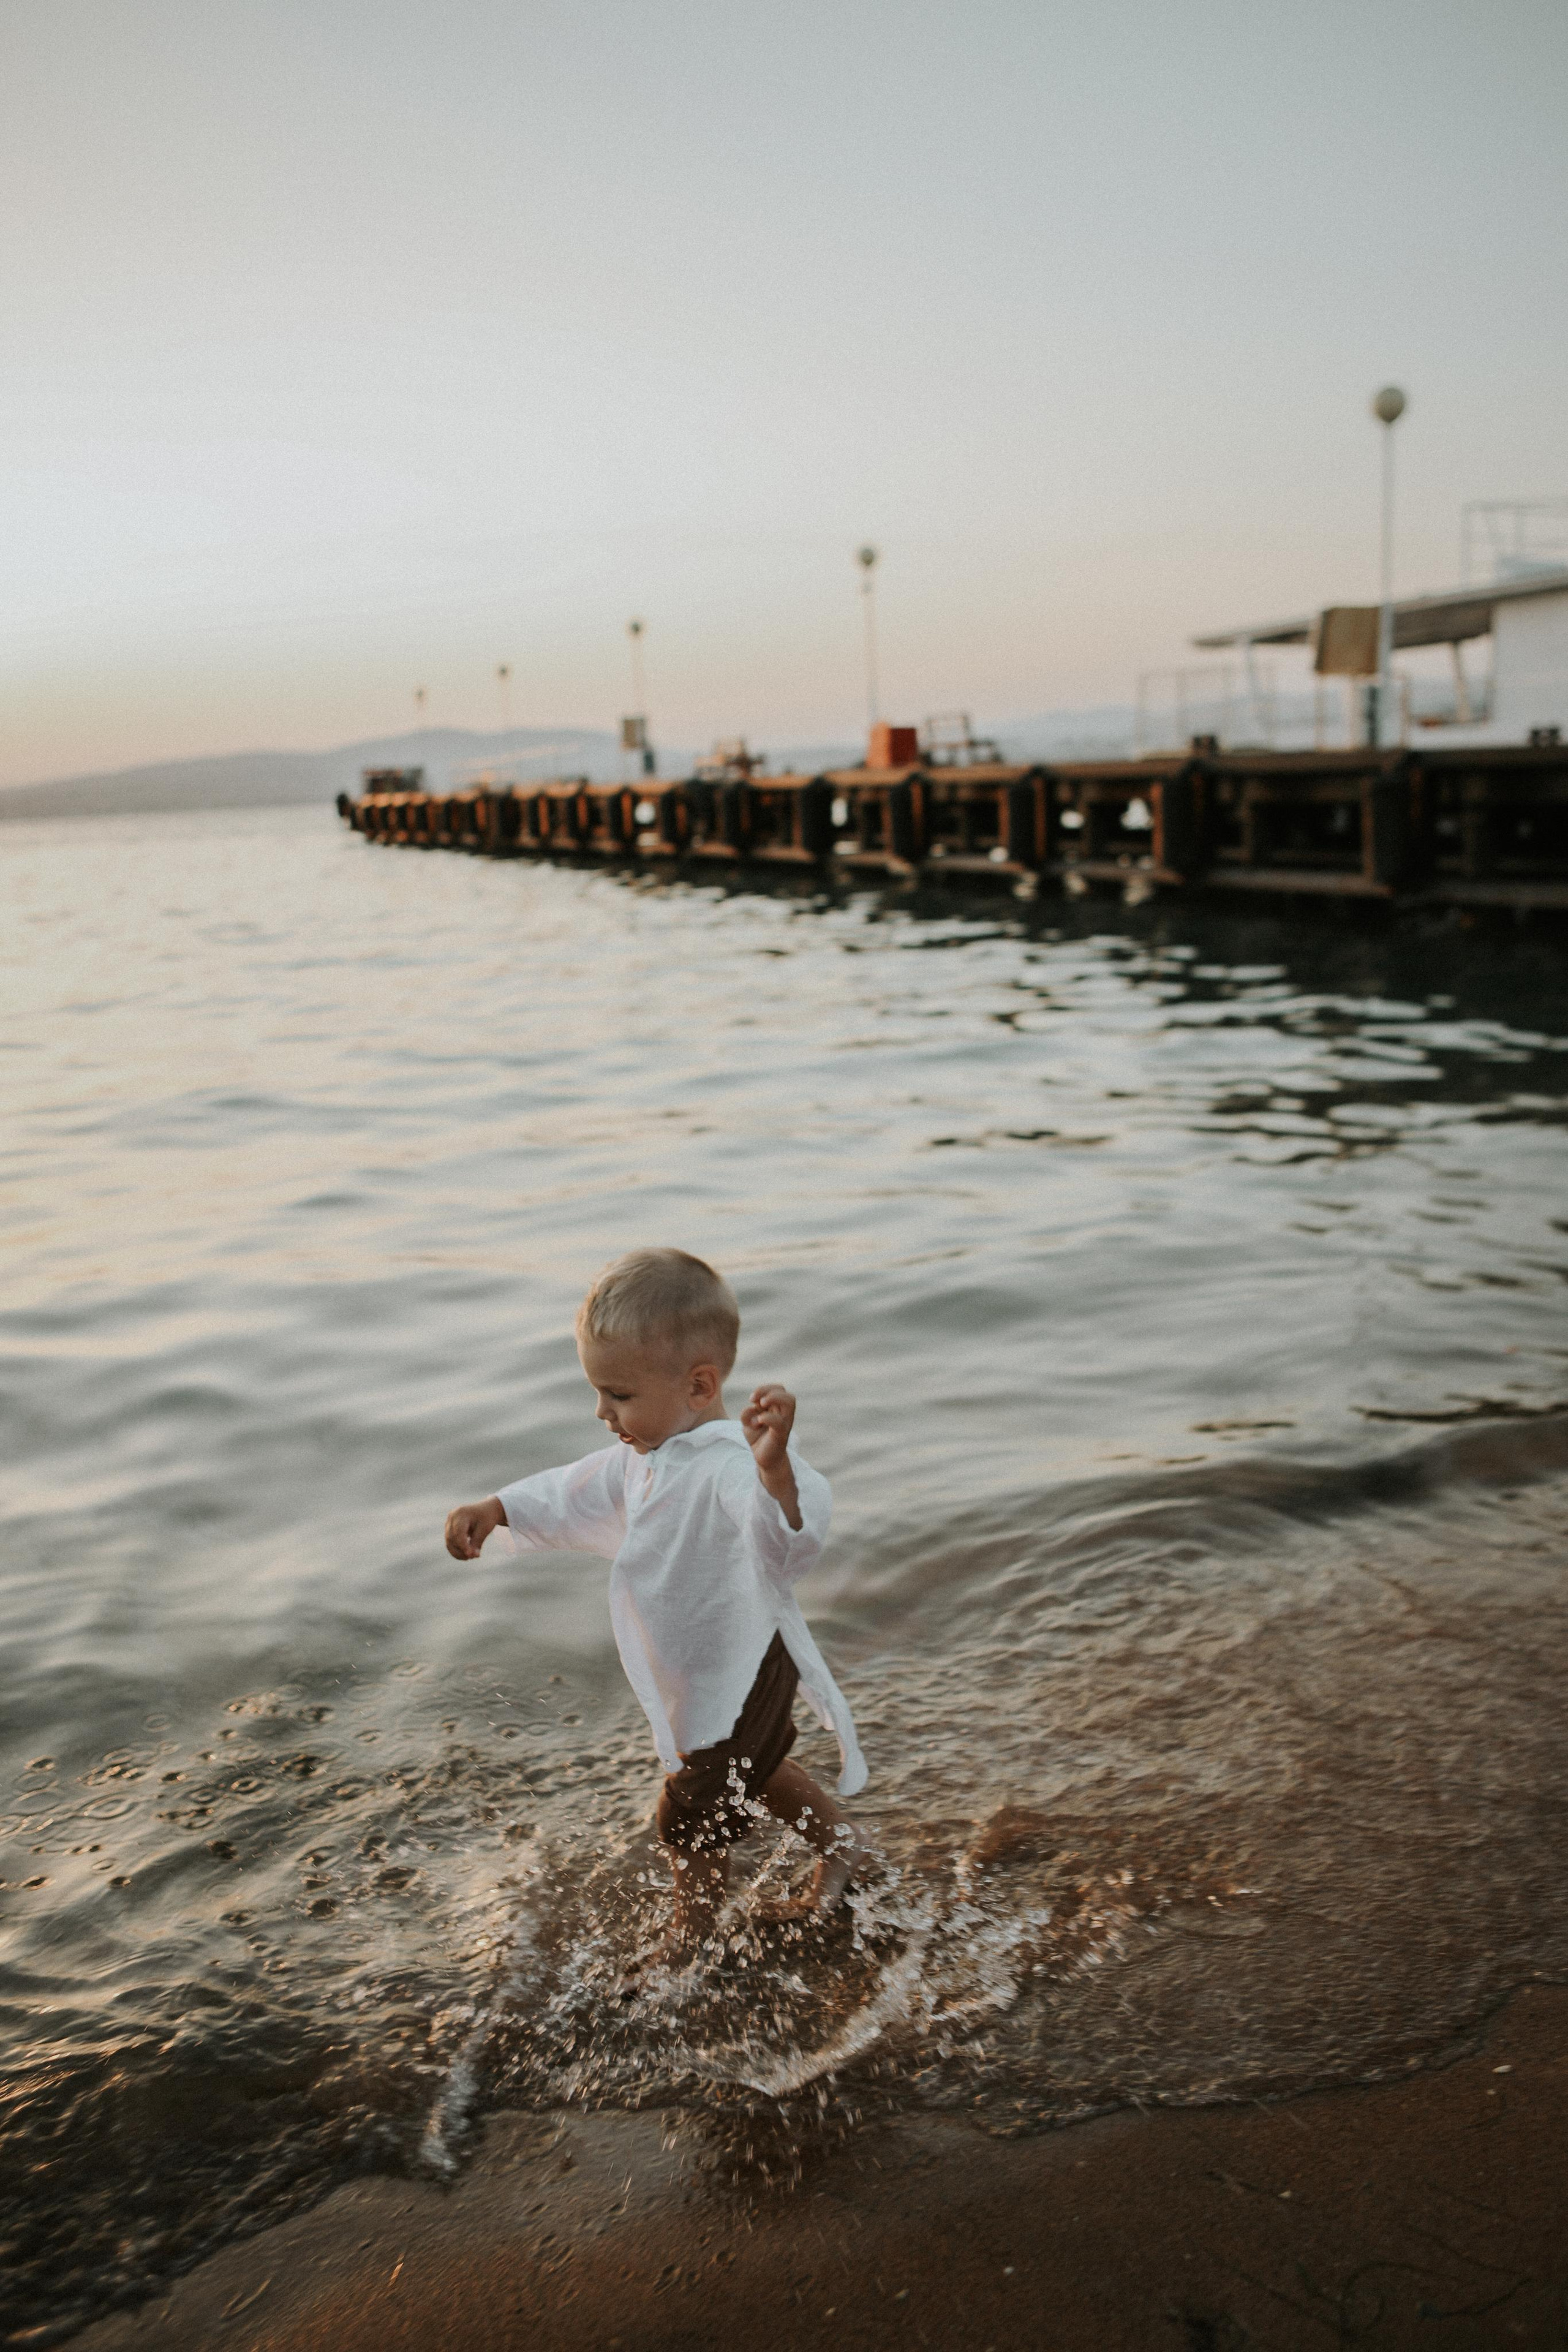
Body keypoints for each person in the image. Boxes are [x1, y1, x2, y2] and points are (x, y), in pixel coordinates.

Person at [444, 1247, 872, 1966]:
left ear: (699, 1385)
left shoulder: (730, 1469)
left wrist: (775, 1474)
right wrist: (501, 1509)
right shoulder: (644, 1455)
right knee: (757, 1770)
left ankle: (690, 1938)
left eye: (618, 1395)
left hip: (740, 1664)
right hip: (708, 1669)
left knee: (687, 1814)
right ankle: (843, 1847)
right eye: (599, 1393)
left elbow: (785, 1538)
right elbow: (574, 1490)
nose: (602, 1412)